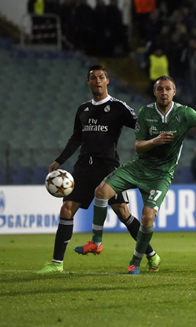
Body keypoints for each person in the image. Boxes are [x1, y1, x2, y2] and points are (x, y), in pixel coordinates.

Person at [75, 75, 196, 274]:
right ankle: (96, 241)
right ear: (154, 92)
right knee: (101, 191)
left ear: (174, 92)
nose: (164, 92)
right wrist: (155, 141)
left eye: (167, 89)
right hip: (139, 167)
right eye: (160, 89)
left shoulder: (185, 113)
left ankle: (136, 261)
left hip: (161, 174)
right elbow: (138, 146)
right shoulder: (146, 112)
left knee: (147, 218)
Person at [37, 65, 160, 274]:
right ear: (88, 82)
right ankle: (56, 263)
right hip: (84, 166)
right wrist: (59, 160)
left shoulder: (118, 107)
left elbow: (140, 125)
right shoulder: (83, 109)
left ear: (107, 81)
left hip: (108, 166)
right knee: (66, 209)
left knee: (123, 212)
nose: (97, 81)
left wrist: (155, 140)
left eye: (101, 77)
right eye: (93, 78)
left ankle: (151, 255)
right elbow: (76, 137)